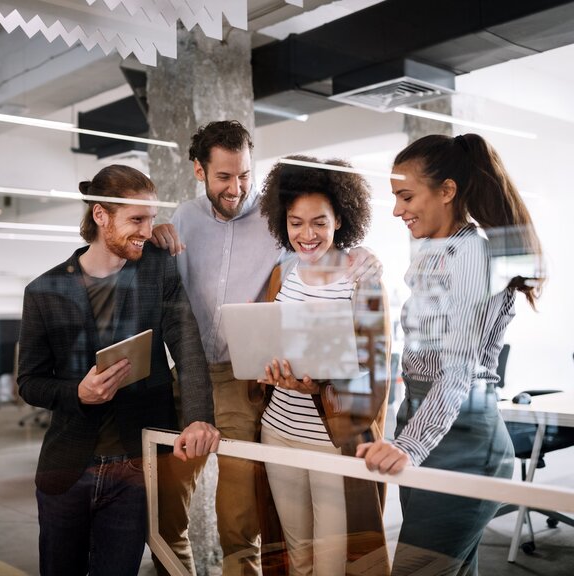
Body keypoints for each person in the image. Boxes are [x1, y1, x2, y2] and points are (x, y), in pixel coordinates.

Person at [150, 121, 382, 575]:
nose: (237, 187)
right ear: (199, 171)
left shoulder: (273, 220)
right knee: (163, 511)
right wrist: (154, 234)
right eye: (224, 177)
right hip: (190, 373)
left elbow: (317, 251)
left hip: (243, 379)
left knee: (239, 515)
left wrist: (363, 252)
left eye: (245, 175)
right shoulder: (184, 217)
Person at [17, 164, 220, 576]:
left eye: (150, 218)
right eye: (137, 219)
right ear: (100, 216)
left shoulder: (156, 269)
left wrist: (198, 418)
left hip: (136, 466)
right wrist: (78, 393)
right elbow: (29, 382)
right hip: (68, 468)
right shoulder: (43, 291)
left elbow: (188, 346)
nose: (148, 230)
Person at [356, 133, 545, 575]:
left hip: (462, 440)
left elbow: (458, 369)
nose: (397, 209)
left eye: (406, 196)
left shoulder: (471, 255)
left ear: (446, 191)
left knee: (415, 568)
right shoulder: (436, 253)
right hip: (429, 424)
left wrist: (408, 446)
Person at [257, 156, 391, 576]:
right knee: (296, 558)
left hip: (333, 439)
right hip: (278, 432)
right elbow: (269, 336)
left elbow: (375, 369)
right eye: (296, 223)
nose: (307, 234)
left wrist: (316, 385)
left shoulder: (362, 279)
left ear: (340, 220)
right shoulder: (283, 274)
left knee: (332, 564)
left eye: (319, 222)